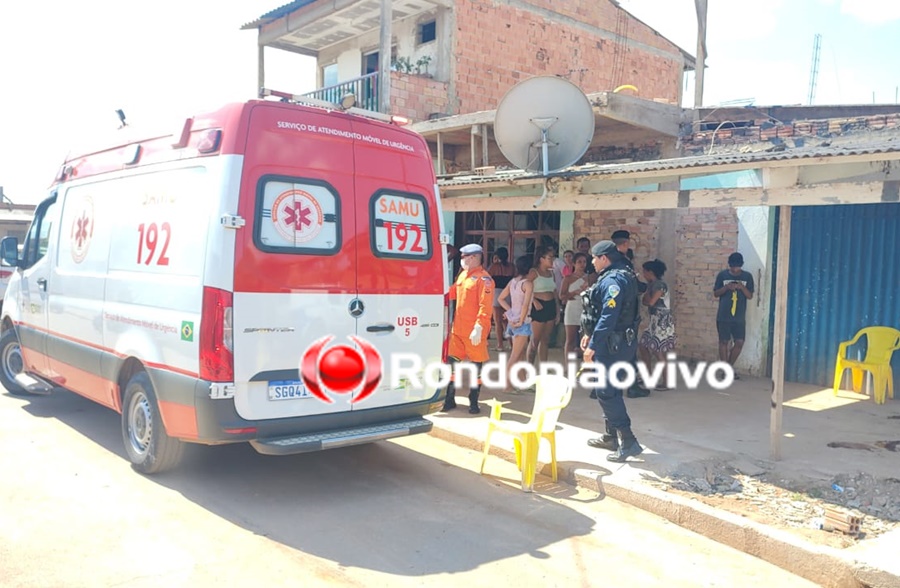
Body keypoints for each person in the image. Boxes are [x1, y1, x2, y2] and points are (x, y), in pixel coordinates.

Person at [581, 240, 644, 462]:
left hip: (612, 344)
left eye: (594, 258)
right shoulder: (623, 273)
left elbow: (609, 316)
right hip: (621, 342)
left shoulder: (614, 280)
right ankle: (611, 436)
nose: (592, 262)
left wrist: (593, 345)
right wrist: (591, 333)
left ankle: (628, 441)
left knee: (606, 391)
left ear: (604, 259)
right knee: (612, 389)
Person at [444, 243, 495, 413]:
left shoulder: (484, 279)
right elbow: (453, 293)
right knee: (451, 367)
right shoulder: (463, 276)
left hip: (474, 332)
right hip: (457, 331)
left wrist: (479, 327)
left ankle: (474, 401)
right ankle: (449, 399)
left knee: (476, 369)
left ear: (473, 257)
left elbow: (485, 306)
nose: (461, 260)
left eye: (463, 257)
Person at [498, 255, 535, 393]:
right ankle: (507, 385)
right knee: (515, 356)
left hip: (512, 320)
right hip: (522, 322)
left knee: (518, 354)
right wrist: (521, 319)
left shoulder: (513, 282)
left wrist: (511, 312)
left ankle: (522, 382)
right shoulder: (528, 284)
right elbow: (526, 304)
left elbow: (501, 298)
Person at [713, 252, 754, 377]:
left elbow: (750, 296)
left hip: (739, 317)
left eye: (738, 267)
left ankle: (729, 367)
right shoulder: (722, 275)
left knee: (739, 342)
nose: (735, 269)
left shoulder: (747, 277)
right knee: (723, 342)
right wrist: (726, 288)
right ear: (729, 265)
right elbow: (716, 293)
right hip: (724, 315)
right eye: (733, 267)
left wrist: (741, 287)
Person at [638, 259, 677, 390]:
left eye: (645, 271)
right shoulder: (652, 285)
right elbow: (646, 301)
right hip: (655, 321)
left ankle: (667, 382)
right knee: (643, 346)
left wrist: (648, 297)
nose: (643, 274)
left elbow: (650, 301)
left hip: (662, 322)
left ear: (650, 272)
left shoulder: (660, 285)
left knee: (658, 351)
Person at [526, 245, 561, 365]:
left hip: (550, 305)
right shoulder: (533, 272)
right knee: (534, 340)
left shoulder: (552, 274)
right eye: (549, 258)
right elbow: (524, 288)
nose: (552, 260)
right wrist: (533, 300)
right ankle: (529, 368)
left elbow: (554, 292)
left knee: (545, 340)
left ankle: (543, 369)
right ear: (541, 259)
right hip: (538, 306)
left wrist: (557, 310)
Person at [560, 252, 590, 361]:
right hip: (572, 309)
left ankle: (585, 365)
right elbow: (562, 296)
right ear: (574, 264)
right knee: (570, 340)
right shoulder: (568, 278)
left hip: (585, 309)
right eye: (579, 262)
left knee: (585, 339)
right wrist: (574, 293)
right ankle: (568, 365)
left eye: (584, 262)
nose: (582, 264)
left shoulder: (589, 278)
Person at [488, 247, 515, 351]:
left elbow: (487, 277)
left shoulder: (494, 267)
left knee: (497, 321)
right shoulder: (511, 267)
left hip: (496, 293)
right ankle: (511, 344)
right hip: (508, 293)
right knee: (507, 321)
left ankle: (500, 345)